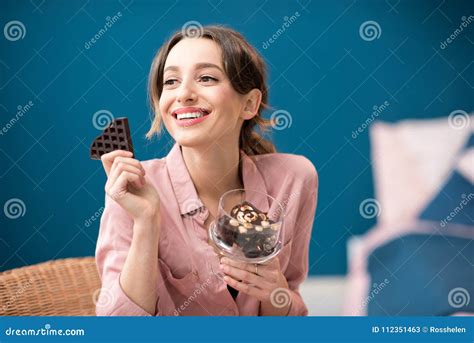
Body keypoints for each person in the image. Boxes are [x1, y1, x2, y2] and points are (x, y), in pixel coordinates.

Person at [95, 25, 318, 316]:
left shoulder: (294, 179)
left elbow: (291, 313)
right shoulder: (131, 189)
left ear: (249, 103)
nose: (184, 94)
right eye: (171, 81)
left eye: (207, 78)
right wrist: (147, 222)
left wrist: (274, 290)